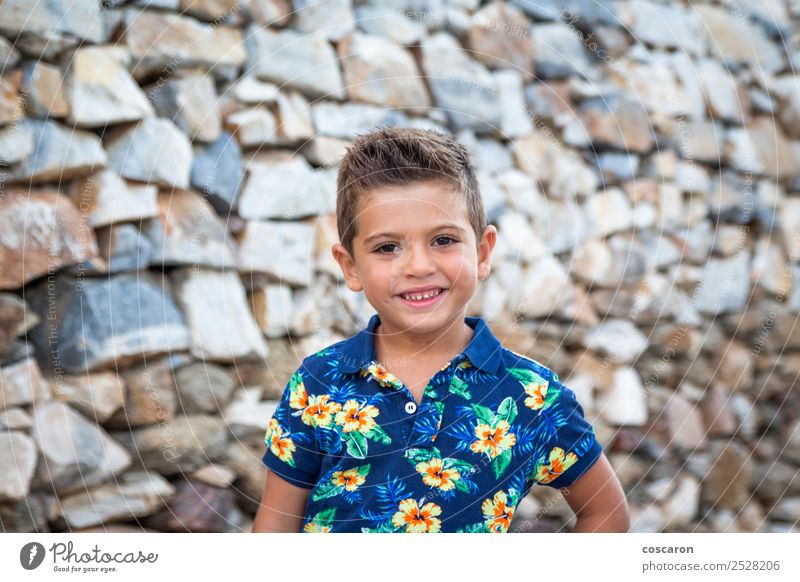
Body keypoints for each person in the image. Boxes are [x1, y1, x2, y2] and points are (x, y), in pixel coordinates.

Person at [252, 127, 629, 533]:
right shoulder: (319, 384)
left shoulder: (532, 397)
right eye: (387, 247)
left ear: (483, 252)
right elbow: (275, 525)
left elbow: (606, 513)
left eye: (444, 240)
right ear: (350, 266)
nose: (418, 266)